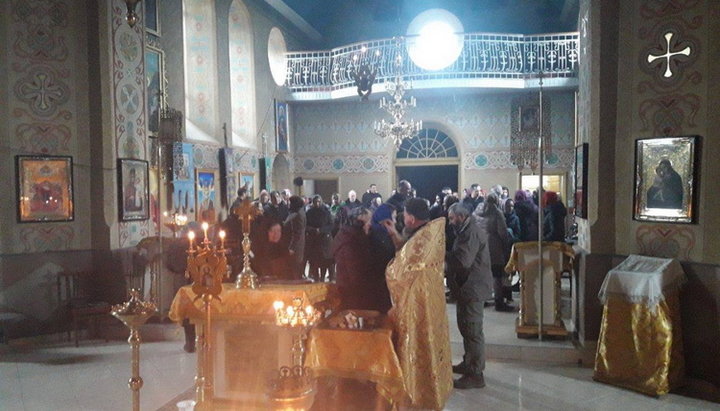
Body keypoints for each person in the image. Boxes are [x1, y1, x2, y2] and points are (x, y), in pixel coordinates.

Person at [382, 198, 453, 409]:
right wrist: (394, 233)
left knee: (418, 346)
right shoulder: (430, 235)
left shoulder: (420, 240)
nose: (403, 219)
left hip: (416, 305)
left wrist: (388, 267)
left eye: (404, 215)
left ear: (411, 218)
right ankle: (432, 392)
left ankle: (416, 396)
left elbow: (397, 273)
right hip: (430, 302)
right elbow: (408, 253)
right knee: (429, 346)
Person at [445, 202, 494, 389]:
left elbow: (463, 261)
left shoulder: (471, 233)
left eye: (451, 218)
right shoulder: (465, 230)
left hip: (474, 287)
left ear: (461, 216)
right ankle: (469, 362)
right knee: (466, 327)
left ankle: (475, 373)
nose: (450, 223)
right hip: (467, 287)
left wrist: (444, 255)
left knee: (473, 330)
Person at [333, 207, 387, 310]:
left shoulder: (352, 236)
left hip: (355, 292)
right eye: (368, 220)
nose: (371, 224)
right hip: (354, 295)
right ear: (359, 221)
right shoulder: (351, 241)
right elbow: (355, 273)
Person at [477, 194, 514, 311]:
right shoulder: (497, 213)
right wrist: (506, 245)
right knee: (497, 275)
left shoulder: (476, 211)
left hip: (479, 246)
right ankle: (499, 303)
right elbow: (503, 232)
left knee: (482, 275)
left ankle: (481, 300)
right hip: (494, 247)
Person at [305, 195, 334, 282]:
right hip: (313, 240)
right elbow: (306, 225)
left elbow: (331, 225)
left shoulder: (326, 212)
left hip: (324, 239)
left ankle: (323, 277)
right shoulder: (309, 213)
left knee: (325, 261)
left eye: (319, 202)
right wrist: (314, 230)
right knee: (314, 261)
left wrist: (321, 230)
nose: (317, 204)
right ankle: (316, 277)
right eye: (315, 202)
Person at [284, 195, 306, 279]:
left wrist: (292, 247)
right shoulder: (298, 212)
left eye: (290, 202)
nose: (288, 204)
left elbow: (297, 233)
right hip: (296, 245)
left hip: (295, 247)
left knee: (295, 269)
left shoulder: (298, 214)